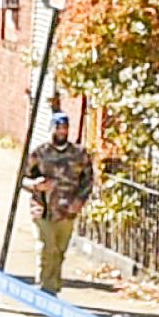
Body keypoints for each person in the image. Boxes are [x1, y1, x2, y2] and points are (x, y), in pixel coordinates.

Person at [22, 109, 94, 291]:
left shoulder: (79, 154)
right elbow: (22, 179)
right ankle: (45, 289)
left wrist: (80, 201)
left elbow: (88, 180)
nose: (62, 132)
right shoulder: (40, 153)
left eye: (65, 128)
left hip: (67, 210)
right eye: (58, 128)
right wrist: (35, 184)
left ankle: (54, 285)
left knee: (59, 251)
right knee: (47, 249)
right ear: (51, 129)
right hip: (43, 209)